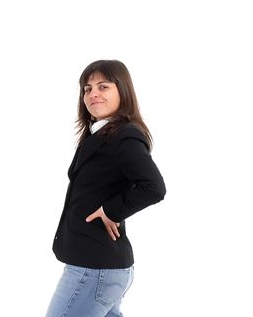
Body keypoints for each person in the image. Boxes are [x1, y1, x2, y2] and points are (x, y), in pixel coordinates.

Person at [46, 60, 166, 317]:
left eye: (103, 86)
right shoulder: (98, 134)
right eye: (87, 89)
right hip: (96, 266)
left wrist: (111, 210)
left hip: (94, 268)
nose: (93, 94)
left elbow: (154, 187)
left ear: (122, 90)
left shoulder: (125, 136)